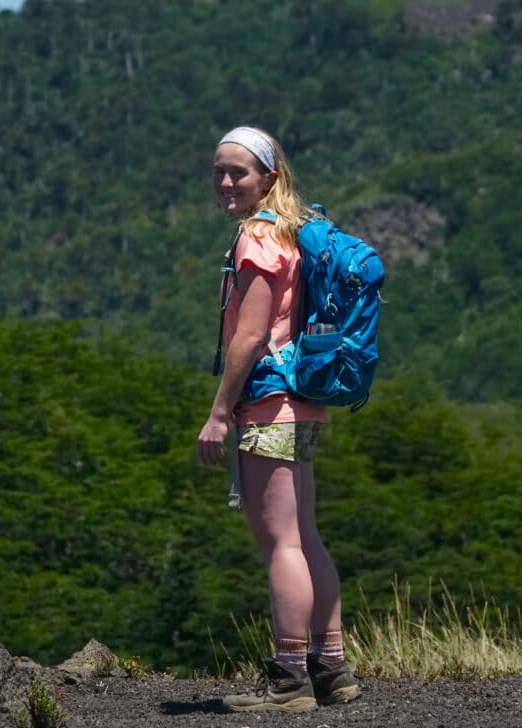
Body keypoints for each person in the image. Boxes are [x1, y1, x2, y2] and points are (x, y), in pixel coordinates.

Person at [197, 126, 360, 713]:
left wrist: (219, 414)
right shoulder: (291, 235)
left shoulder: (257, 241)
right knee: (306, 536)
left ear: (268, 177)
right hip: (303, 402)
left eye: (237, 172)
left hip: (269, 404)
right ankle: (330, 667)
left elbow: (249, 337)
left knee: (282, 544)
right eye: (218, 171)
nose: (224, 182)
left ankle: (289, 679)